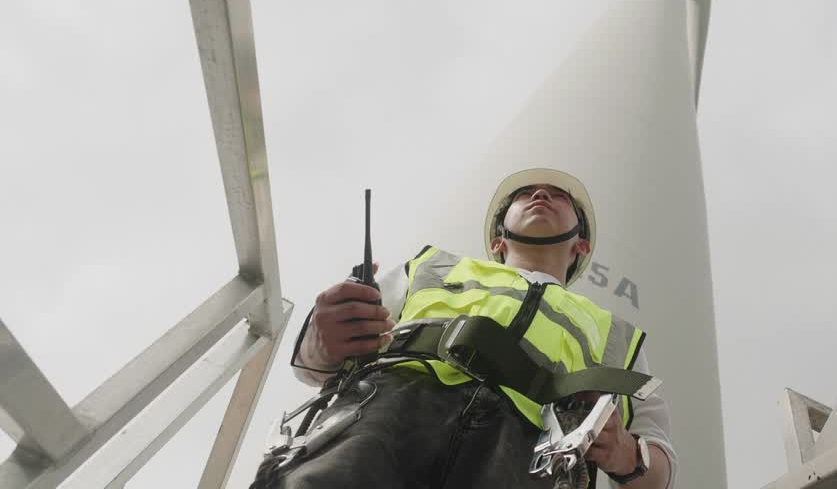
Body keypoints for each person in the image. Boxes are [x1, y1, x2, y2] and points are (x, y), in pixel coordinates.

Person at [272, 168, 677, 488]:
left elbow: (658, 467)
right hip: (385, 416)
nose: (540, 195)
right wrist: (320, 345)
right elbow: (313, 365)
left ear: (582, 245)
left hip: (533, 455)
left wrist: (625, 453)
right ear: (498, 240)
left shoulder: (618, 336)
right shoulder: (431, 267)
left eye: (558, 196)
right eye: (526, 194)